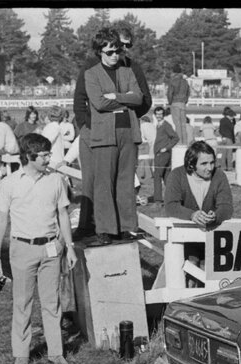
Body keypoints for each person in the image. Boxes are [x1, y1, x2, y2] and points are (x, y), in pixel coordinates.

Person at [0, 132, 77, 364]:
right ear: (29, 156)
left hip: (51, 249)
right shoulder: (9, 183)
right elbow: (1, 220)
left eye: (49, 154)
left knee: (52, 302)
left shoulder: (56, 180)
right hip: (22, 249)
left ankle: (56, 353)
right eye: (44, 155)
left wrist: (69, 248)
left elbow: (63, 215)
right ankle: (21, 353)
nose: (49, 159)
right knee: (22, 302)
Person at [83, 28, 144, 245]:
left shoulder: (128, 72)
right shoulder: (91, 74)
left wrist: (116, 96)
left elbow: (139, 98)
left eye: (117, 51)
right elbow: (99, 103)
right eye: (109, 52)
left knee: (126, 183)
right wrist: (126, 99)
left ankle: (127, 228)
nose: (115, 56)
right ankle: (105, 230)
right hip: (104, 135)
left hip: (129, 133)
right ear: (99, 52)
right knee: (104, 184)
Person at [162, 141, 233, 229]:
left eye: (212, 163)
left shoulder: (219, 176)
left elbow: (226, 206)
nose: (209, 168)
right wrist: (191, 215)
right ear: (191, 164)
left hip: (212, 231)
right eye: (204, 164)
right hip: (183, 231)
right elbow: (171, 206)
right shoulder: (177, 175)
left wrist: (216, 216)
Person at [151, 106, 179, 204]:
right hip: (161, 154)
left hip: (162, 154)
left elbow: (175, 138)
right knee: (166, 177)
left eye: (160, 114)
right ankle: (173, 198)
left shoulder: (166, 125)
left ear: (163, 115)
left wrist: (166, 148)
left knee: (157, 176)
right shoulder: (158, 125)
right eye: (157, 114)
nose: (159, 116)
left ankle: (158, 199)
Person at [166, 65, 190, 146]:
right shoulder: (185, 81)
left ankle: (179, 143)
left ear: (173, 71)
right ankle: (185, 142)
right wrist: (185, 101)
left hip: (175, 102)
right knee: (183, 124)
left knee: (177, 124)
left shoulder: (172, 81)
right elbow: (188, 92)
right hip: (183, 103)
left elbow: (170, 93)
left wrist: (170, 102)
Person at [218, 106, 236, 171]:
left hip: (223, 138)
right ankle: (229, 167)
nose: (233, 117)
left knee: (224, 153)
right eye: (233, 116)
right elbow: (232, 129)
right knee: (229, 154)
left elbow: (220, 130)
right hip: (229, 138)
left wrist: (223, 136)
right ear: (230, 115)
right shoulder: (229, 121)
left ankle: (223, 167)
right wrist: (232, 123)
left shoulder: (222, 120)